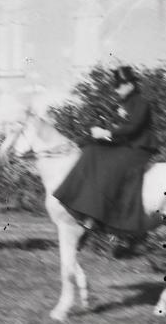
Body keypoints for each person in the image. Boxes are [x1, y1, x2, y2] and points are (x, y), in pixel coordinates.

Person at [53, 65, 157, 237]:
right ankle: (79, 203)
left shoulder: (141, 102)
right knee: (90, 150)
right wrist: (101, 136)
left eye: (119, 85)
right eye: (115, 86)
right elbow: (121, 129)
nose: (116, 89)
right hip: (126, 145)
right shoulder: (124, 104)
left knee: (107, 164)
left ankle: (99, 215)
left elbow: (133, 127)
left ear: (130, 85)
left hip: (139, 148)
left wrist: (107, 133)